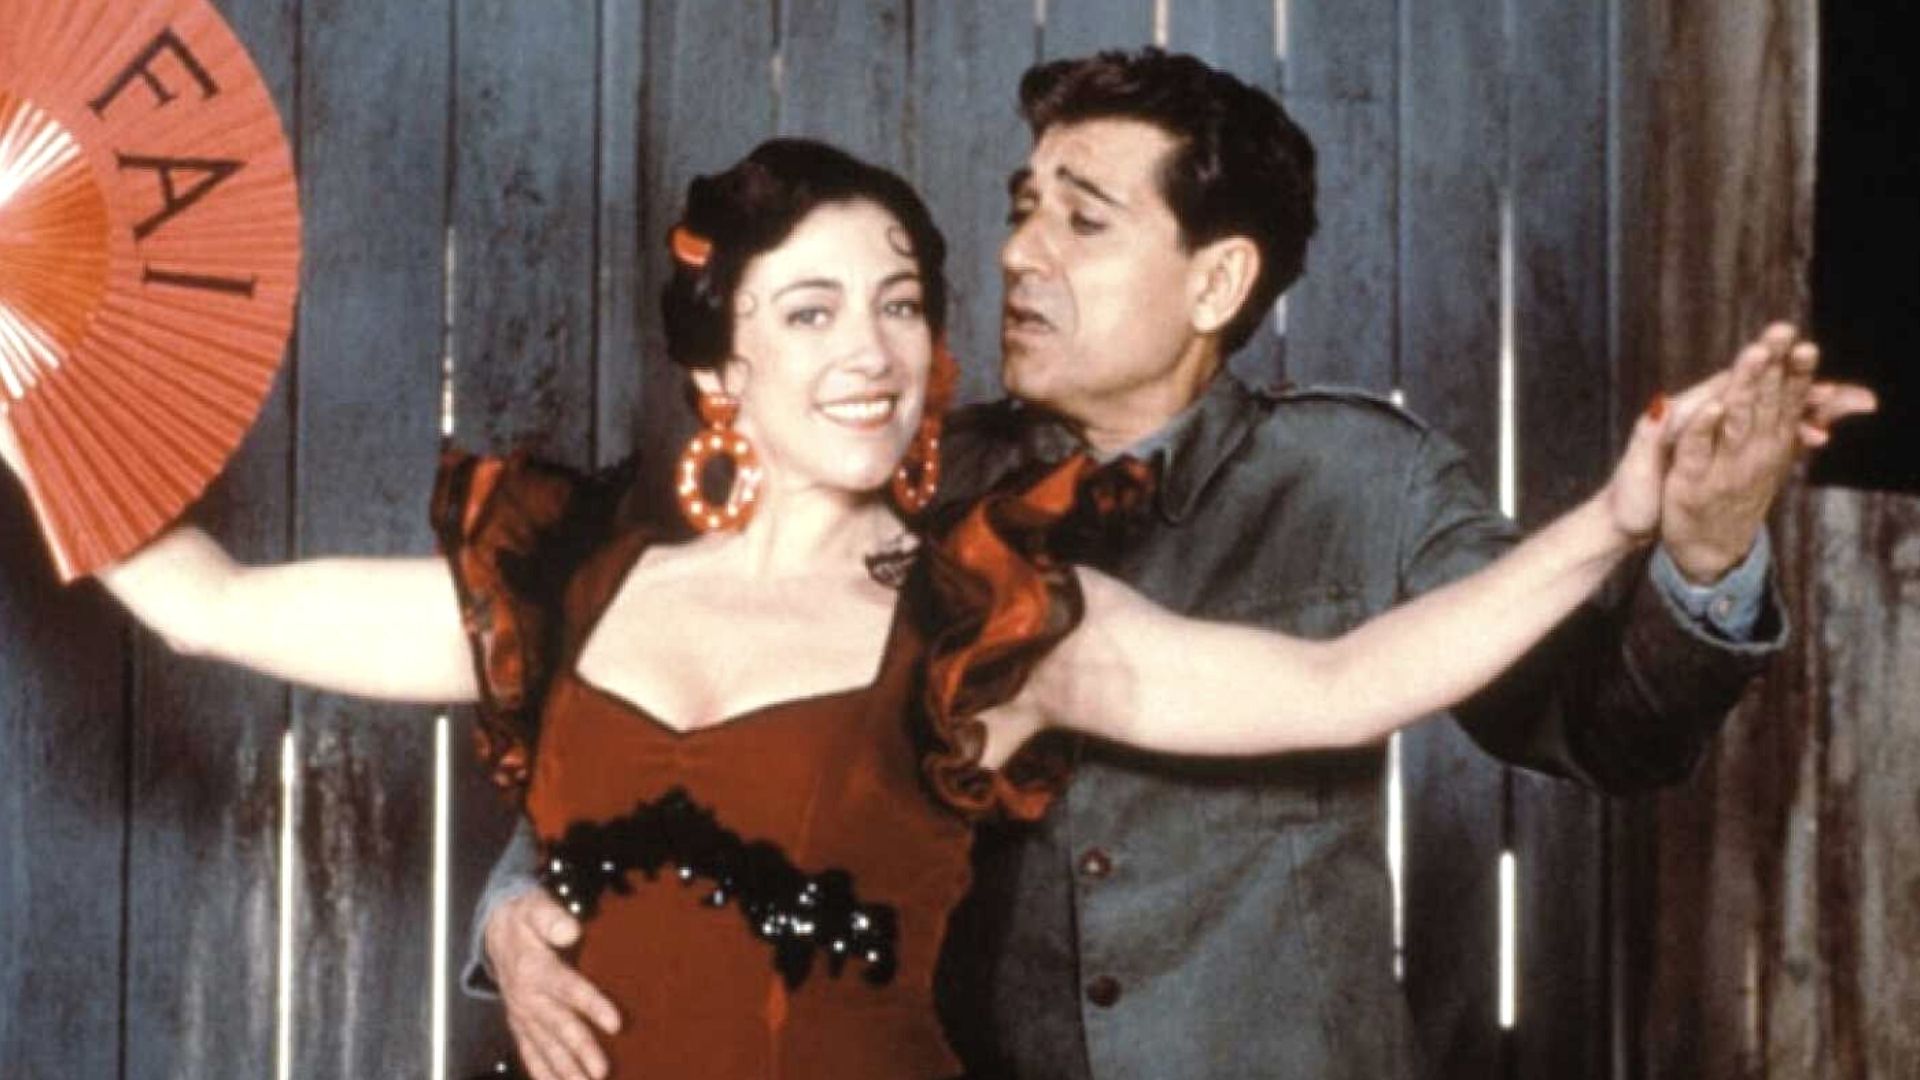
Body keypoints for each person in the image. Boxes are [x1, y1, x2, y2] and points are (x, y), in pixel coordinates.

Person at [0, 135, 1807, 1080]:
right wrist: (25, 373)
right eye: (810, 313)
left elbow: (1343, 685)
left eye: (900, 303)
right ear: (724, 370)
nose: (871, 351)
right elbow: (202, 601)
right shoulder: (569, 587)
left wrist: (1616, 518)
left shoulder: (985, 618)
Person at [468, 52, 1876, 1080]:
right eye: (1022, 207)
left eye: (1080, 221)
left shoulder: (1365, 480)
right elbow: (664, 699)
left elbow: (1602, 725)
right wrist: (516, 906)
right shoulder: (908, 480)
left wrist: (1700, 550)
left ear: (1217, 283)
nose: (1015, 255)